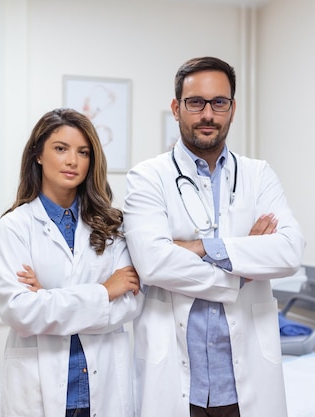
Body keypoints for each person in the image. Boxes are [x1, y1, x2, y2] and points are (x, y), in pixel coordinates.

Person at [123, 57, 305, 417]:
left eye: (219, 102)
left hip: (245, 380)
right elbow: (154, 262)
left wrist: (200, 246)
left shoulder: (258, 175)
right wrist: (244, 265)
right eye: (196, 102)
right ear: (177, 108)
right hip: (176, 382)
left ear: (232, 109)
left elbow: (289, 251)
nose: (208, 113)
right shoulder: (147, 177)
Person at [0, 108, 144, 417]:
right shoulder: (16, 226)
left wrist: (47, 296)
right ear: (38, 154)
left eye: (83, 152)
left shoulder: (112, 225)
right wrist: (103, 292)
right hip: (39, 386)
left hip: (102, 387)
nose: (73, 160)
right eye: (60, 149)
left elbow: (130, 305)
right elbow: (20, 312)